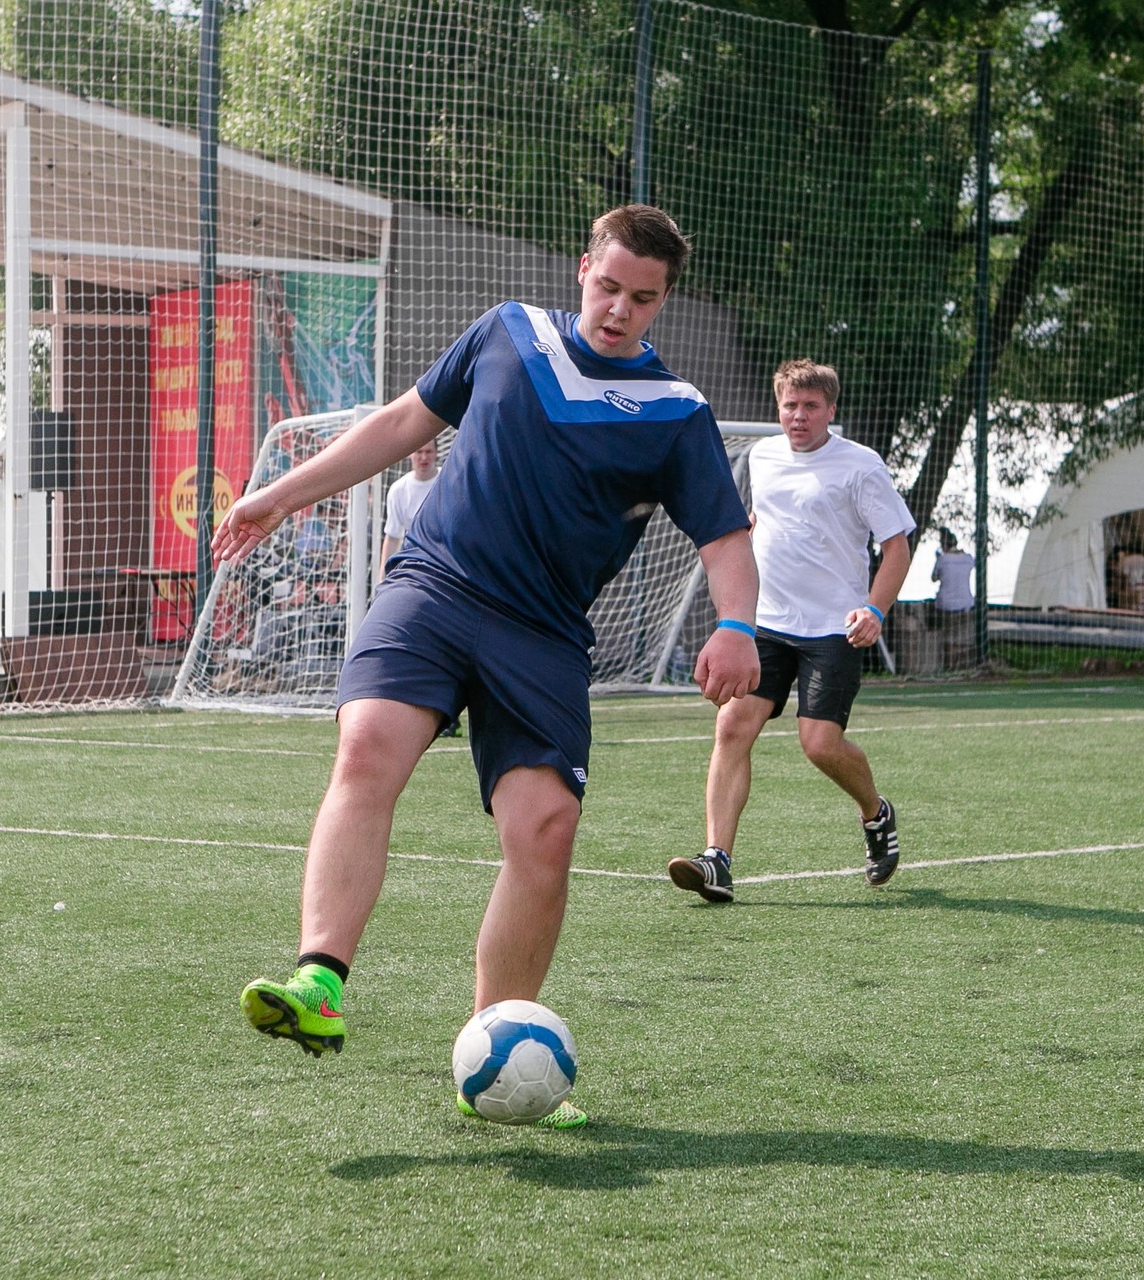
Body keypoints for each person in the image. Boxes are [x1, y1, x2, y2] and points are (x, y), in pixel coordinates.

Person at [214, 204, 761, 1129]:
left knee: (546, 830)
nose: (619, 309)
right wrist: (280, 494)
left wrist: (738, 625)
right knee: (367, 747)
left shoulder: (675, 412)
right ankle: (320, 980)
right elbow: (402, 422)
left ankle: (497, 1048)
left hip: (542, 633)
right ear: (584, 267)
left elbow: (726, 540)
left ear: (662, 301)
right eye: (609, 287)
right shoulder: (509, 332)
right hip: (433, 587)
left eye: (642, 299)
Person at [668, 358, 914, 904]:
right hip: (768, 624)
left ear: (830, 410)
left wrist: (874, 611)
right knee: (732, 727)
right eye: (790, 406)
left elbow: (896, 547)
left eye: (810, 407)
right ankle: (717, 861)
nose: (798, 416)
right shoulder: (763, 456)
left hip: (833, 629)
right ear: (778, 408)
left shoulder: (861, 465)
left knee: (819, 743)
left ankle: (875, 813)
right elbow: (763, 523)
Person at [378, 435, 442, 580]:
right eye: (419, 452)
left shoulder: (448, 479)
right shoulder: (398, 490)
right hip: (415, 563)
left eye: (428, 452)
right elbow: (392, 537)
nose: (424, 457)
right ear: (410, 454)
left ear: (436, 453)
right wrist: (382, 578)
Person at [931, 528, 977, 669]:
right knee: (963, 635)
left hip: (946, 605)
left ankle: (948, 664)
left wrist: (937, 558)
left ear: (943, 545)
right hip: (966, 604)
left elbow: (934, 578)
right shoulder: (968, 558)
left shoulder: (943, 559)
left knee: (947, 635)